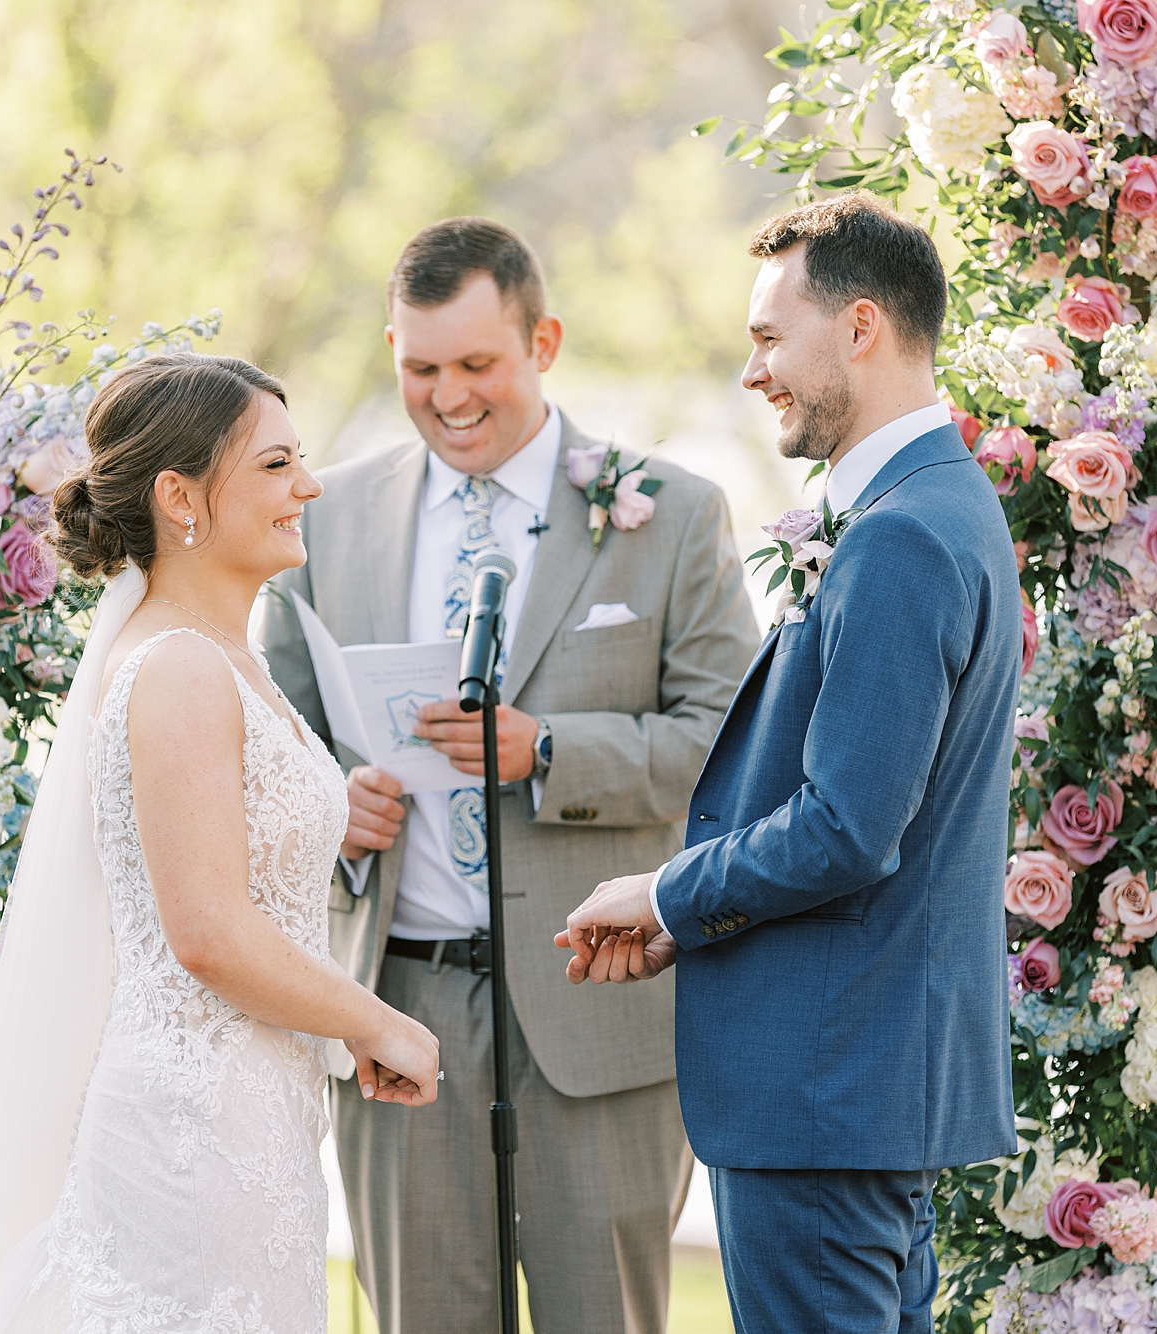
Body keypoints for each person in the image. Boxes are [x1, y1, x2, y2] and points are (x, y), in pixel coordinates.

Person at [256, 218, 758, 1334]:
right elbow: (269, 725)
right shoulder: (324, 519)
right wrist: (328, 800)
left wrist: (550, 752)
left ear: (545, 341)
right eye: (418, 367)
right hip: (399, 1003)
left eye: (477, 364)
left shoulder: (671, 513)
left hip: (599, 1003)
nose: (448, 397)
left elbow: (730, 747)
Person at [0, 353, 440, 1334]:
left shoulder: (224, 654)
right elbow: (207, 931)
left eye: (300, 460)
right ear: (180, 494)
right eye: (275, 466)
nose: (307, 486)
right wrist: (374, 1019)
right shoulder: (180, 666)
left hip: (250, 1117)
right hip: (191, 1133)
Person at [560, 193, 1021, 1334]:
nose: (750, 370)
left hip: (824, 1088)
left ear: (858, 327)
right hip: (860, 1083)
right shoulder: (935, 506)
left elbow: (849, 825)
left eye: (769, 337)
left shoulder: (903, 534)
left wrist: (667, 888)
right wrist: (691, 923)